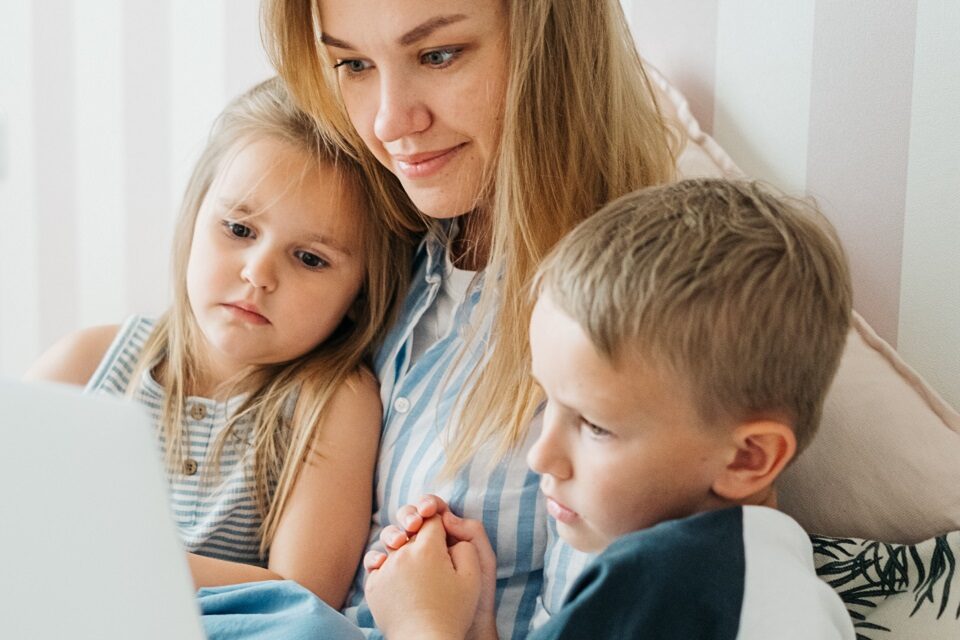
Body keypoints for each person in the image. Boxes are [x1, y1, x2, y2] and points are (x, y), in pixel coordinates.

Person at [214, 0, 679, 638]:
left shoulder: (636, 320)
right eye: (352, 63)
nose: (389, 122)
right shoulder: (385, 242)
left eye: (438, 55)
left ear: (553, 53)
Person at [363, 179, 857, 640]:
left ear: (747, 459)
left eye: (595, 426)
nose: (542, 457)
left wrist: (421, 624)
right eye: (547, 403)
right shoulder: (761, 581)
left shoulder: (669, 583)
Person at [24, 77, 416, 612]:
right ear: (195, 215)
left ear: (359, 292)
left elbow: (300, 598)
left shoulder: (330, 402)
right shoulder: (88, 364)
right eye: (237, 228)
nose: (258, 273)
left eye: (310, 258)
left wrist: (101, 557)